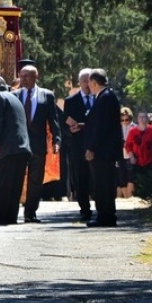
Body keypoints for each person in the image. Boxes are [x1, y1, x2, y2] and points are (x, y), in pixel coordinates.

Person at [16, 64, 62, 223]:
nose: (23, 79)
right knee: (17, 178)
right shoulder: (14, 95)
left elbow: (53, 120)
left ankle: (30, 212)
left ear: (36, 77)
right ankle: (13, 209)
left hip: (38, 145)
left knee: (35, 180)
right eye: (21, 76)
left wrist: (57, 139)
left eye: (27, 76)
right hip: (19, 145)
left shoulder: (46, 95)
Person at [0, 76, 32, 224]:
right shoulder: (15, 98)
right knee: (15, 185)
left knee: (3, 183)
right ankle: (11, 216)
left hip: (7, 149)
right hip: (22, 148)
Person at [84, 68, 123, 227]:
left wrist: (91, 147)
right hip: (105, 150)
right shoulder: (106, 97)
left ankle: (105, 217)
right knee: (103, 184)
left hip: (103, 152)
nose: (89, 87)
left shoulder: (105, 98)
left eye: (90, 83)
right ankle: (105, 215)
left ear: (94, 82)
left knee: (103, 185)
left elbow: (101, 127)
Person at [62, 68, 94, 221]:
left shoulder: (99, 98)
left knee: (96, 178)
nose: (87, 84)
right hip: (78, 146)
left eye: (90, 81)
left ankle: (101, 207)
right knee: (80, 179)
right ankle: (84, 209)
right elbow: (64, 124)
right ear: (80, 82)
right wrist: (72, 129)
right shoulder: (71, 101)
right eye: (84, 81)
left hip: (96, 145)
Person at [124, 111, 152, 195]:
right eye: (140, 117)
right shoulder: (133, 131)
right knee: (137, 180)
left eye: (144, 117)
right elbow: (128, 145)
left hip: (151, 159)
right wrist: (131, 156)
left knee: (151, 178)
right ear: (137, 119)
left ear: (147, 119)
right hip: (138, 160)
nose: (142, 119)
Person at [117, 107, 136, 198]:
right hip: (120, 155)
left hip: (132, 155)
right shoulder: (117, 128)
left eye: (126, 119)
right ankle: (126, 196)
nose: (124, 122)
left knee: (130, 177)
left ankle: (129, 197)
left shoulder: (135, 127)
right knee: (121, 177)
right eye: (122, 120)